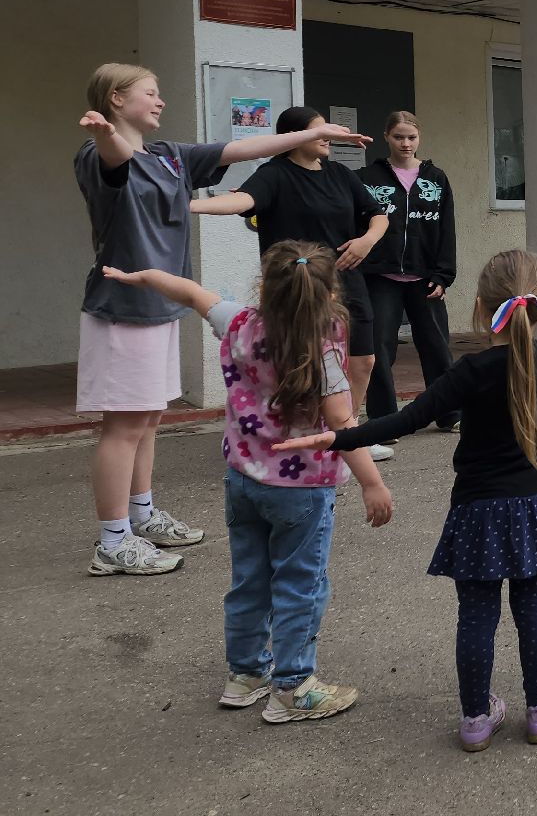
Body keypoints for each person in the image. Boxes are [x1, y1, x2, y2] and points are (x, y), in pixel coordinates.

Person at [74, 63, 370, 577]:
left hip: (161, 305)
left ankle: (141, 515)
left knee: (147, 420)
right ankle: (112, 540)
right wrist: (106, 134)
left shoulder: (170, 156)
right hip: (122, 307)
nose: (161, 100)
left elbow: (244, 150)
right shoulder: (98, 154)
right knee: (122, 427)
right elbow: (116, 158)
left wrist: (314, 132)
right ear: (117, 100)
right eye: (151, 92)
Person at [276, 250, 537, 750]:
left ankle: (476, 720)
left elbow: (404, 421)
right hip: (529, 506)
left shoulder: (468, 371)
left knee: (477, 614)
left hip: (476, 510)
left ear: (479, 307)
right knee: (532, 605)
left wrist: (336, 437)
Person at [100, 242, 393, 723]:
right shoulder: (322, 348)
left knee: (249, 581)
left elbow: (192, 293)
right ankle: (294, 687)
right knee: (300, 585)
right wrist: (372, 483)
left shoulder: (239, 323)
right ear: (328, 293)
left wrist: (143, 275)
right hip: (302, 492)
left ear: (265, 287)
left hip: (243, 482)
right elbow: (342, 427)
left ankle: (246, 675)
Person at [193, 107, 393, 459]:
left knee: (362, 361)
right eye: (320, 131)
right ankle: (300, 435)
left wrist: (367, 240)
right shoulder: (273, 175)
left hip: (345, 281)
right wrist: (190, 206)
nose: (328, 137)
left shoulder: (341, 175)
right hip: (295, 289)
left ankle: (347, 434)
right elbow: (242, 201)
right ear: (297, 137)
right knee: (300, 363)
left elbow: (377, 215)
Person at [359, 112, 459, 433]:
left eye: (411, 137)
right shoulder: (366, 178)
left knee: (436, 348)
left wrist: (443, 275)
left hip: (425, 278)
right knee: (379, 349)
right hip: (380, 277)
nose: (405, 143)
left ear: (419, 138)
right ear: (387, 136)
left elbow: (447, 230)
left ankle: (449, 414)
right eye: (399, 137)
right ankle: (385, 420)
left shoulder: (436, 178)